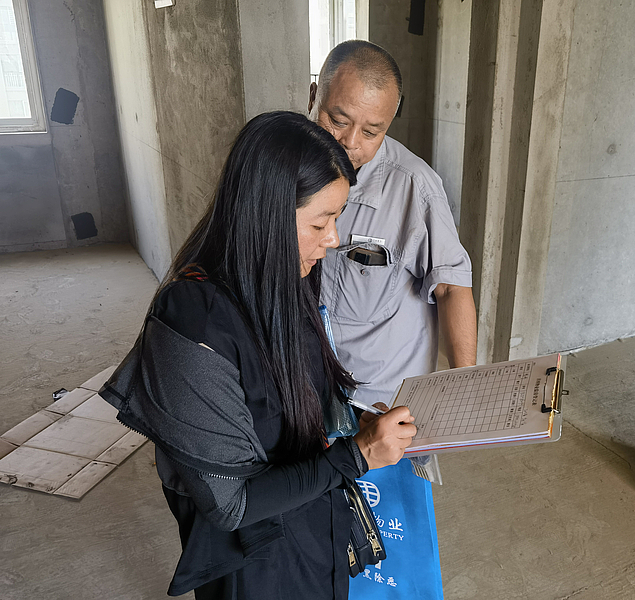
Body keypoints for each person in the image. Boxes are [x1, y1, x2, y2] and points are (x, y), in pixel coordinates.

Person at [100, 112, 416, 600]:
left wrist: (355, 421)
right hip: (257, 563)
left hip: (314, 523)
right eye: (320, 222)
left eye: (337, 219)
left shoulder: (284, 280)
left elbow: (296, 396)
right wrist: (358, 455)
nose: (333, 239)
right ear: (267, 216)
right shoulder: (194, 323)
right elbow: (231, 504)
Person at [309, 40, 478, 414]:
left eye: (371, 132)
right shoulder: (285, 168)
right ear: (312, 97)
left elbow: (451, 286)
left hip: (377, 402)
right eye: (338, 121)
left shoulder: (415, 187)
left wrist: (465, 389)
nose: (351, 143)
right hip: (305, 386)